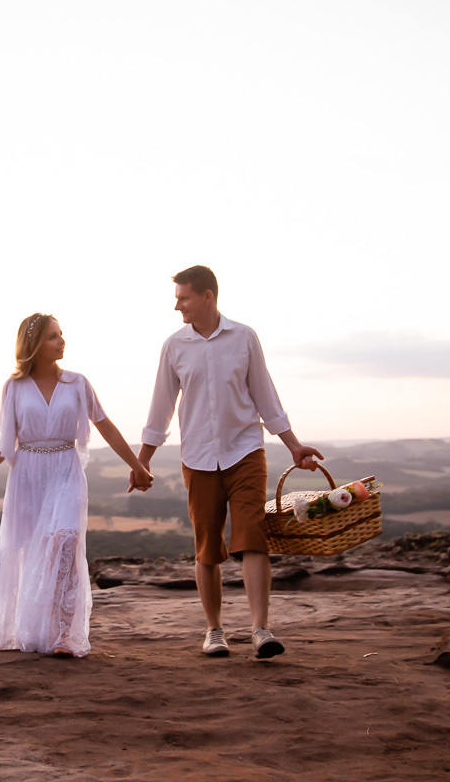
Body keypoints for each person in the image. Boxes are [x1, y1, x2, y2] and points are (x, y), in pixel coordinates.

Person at [131, 265, 323, 659]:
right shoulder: (174, 346)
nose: (177, 306)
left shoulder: (244, 337)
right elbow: (160, 408)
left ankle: (260, 630)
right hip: (198, 458)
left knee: (253, 534)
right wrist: (142, 462)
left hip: (245, 452)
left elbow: (266, 397)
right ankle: (214, 631)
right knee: (206, 545)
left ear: (207, 296)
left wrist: (293, 446)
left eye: (183, 298)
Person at [0, 313, 154, 658]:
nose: (61, 341)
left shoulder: (78, 383)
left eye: (61, 334)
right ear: (33, 345)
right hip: (27, 475)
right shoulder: (14, 387)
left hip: (65, 470)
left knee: (65, 543)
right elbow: (6, 443)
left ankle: (62, 634)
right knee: (31, 550)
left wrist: (138, 466)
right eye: (52, 336)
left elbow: (106, 427)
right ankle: (30, 628)